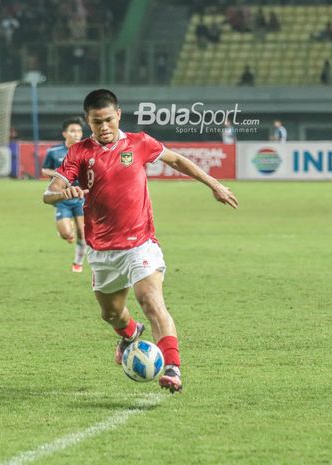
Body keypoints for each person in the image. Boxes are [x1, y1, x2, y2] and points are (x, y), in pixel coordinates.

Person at [42, 89, 238, 393]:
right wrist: (62, 193)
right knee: (111, 314)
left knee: (150, 300)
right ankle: (131, 334)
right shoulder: (79, 152)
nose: (104, 126)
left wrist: (213, 184)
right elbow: (48, 193)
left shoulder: (139, 143)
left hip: (140, 244)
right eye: (97, 122)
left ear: (118, 114)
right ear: (88, 121)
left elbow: (176, 159)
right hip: (102, 251)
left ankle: (172, 366)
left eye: (109, 119)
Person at [41, 118, 87, 273]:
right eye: (72, 131)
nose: (76, 134)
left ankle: (78, 262)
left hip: (81, 197)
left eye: (79, 131)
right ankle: (67, 230)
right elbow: (44, 169)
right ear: (64, 133)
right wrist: (58, 175)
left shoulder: (86, 151)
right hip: (62, 198)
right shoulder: (54, 152)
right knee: (66, 234)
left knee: (83, 232)